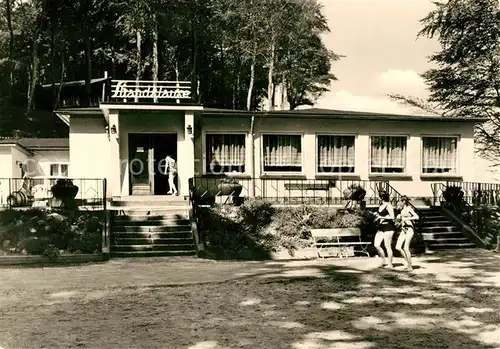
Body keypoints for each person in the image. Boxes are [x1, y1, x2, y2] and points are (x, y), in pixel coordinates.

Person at [396, 196, 419, 271]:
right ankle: (407, 262)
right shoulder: (402, 210)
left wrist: (407, 218)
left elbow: (417, 217)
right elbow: (401, 219)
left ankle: (410, 267)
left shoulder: (409, 209)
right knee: (398, 247)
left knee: (406, 248)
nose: (398, 203)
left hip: (409, 229)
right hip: (403, 230)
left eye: (400, 201)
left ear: (404, 202)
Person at [374, 190, 396, 268]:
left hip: (388, 227)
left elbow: (393, 217)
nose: (376, 197)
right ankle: (383, 261)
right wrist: (377, 216)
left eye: (378, 196)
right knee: (376, 245)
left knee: (387, 246)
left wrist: (381, 217)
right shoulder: (381, 205)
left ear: (382, 197)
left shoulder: (388, 205)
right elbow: (380, 215)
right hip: (381, 227)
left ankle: (390, 264)